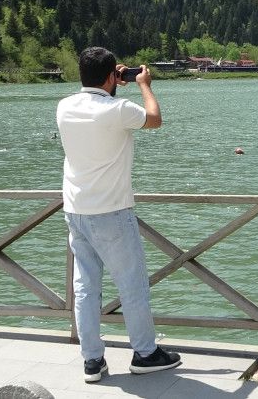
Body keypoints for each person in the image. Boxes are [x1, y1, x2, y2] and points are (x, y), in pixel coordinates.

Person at [56, 46, 181, 383]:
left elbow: (99, 99)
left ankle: (92, 361)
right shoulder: (118, 109)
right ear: (113, 76)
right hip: (111, 211)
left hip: (76, 210)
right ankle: (145, 354)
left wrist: (111, 83)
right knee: (132, 285)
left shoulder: (64, 106)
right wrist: (143, 85)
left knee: (85, 288)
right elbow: (154, 119)